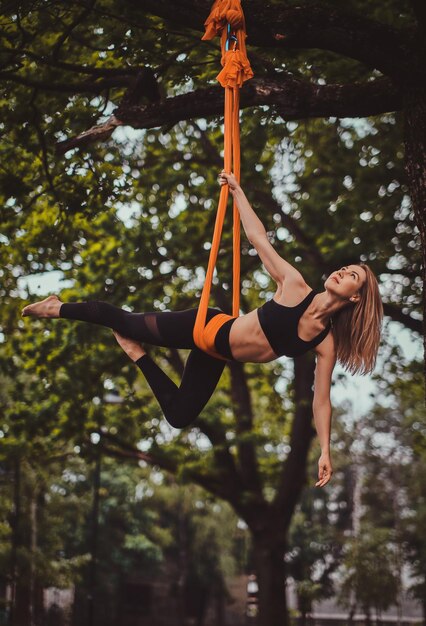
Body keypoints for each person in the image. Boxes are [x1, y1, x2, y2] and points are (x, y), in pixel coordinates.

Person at [21, 171, 383, 487]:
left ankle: (137, 354)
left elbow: (321, 401)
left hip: (216, 354)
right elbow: (259, 240)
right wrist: (238, 191)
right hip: (206, 326)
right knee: (122, 319)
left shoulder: (325, 342)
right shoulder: (294, 285)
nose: (342, 271)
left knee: (178, 416)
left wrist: (324, 451)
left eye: (352, 276)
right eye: (346, 267)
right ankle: (56, 307)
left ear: (355, 299)